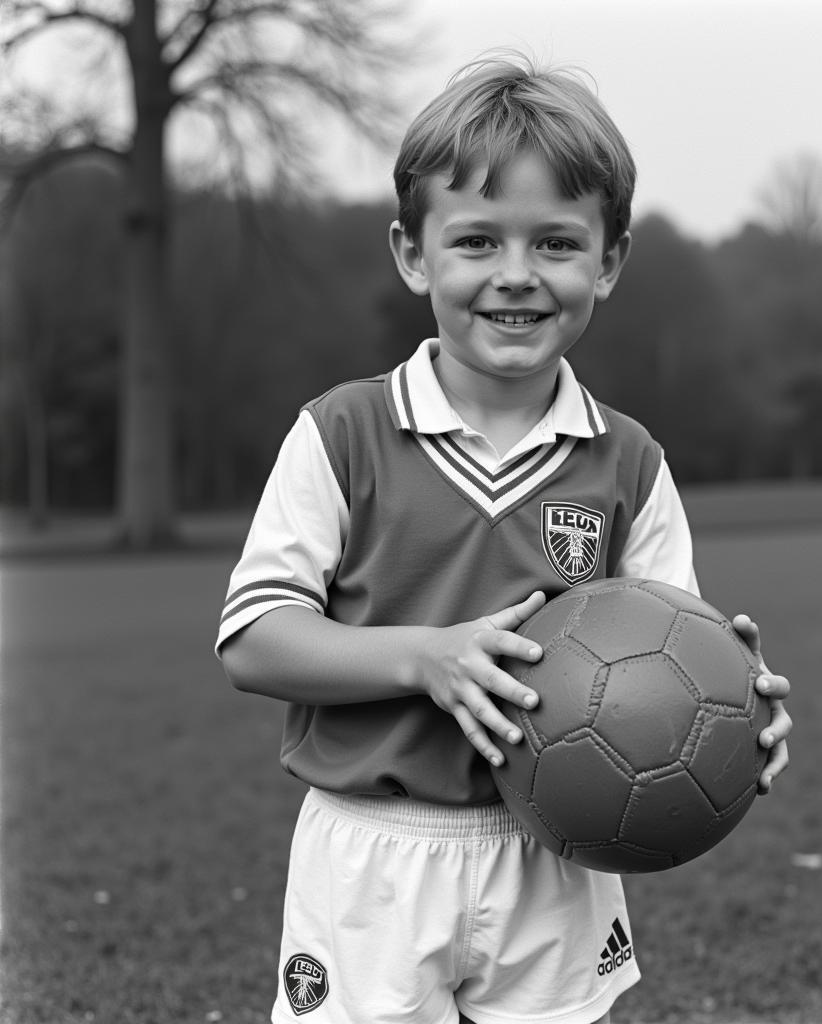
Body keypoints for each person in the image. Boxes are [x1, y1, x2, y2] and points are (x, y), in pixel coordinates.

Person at [217, 52, 792, 1024]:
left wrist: (739, 720)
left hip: (557, 854)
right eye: (476, 240)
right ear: (412, 253)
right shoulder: (343, 433)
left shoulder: (630, 463)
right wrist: (425, 660)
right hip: (374, 852)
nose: (516, 276)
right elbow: (253, 637)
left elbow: (679, 656)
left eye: (557, 244)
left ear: (608, 260)